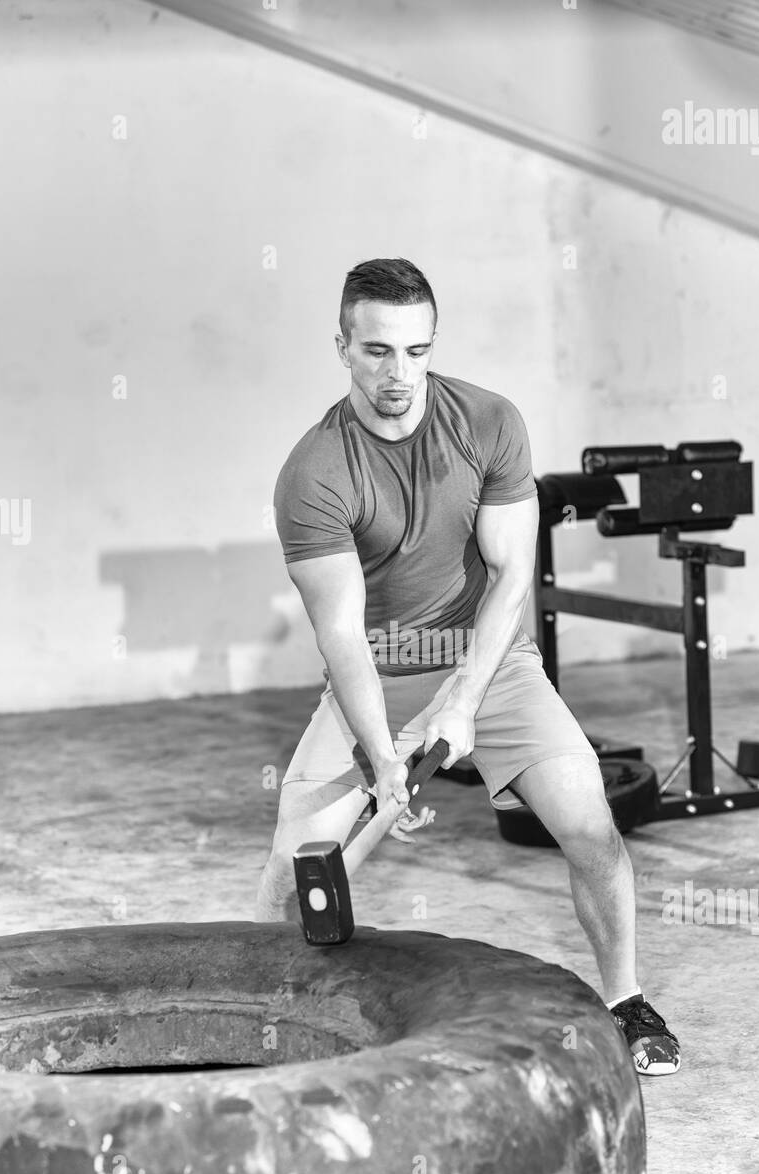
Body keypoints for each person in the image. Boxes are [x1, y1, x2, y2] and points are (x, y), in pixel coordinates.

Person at [256, 257, 680, 1077]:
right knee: (290, 866)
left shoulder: (488, 421)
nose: (398, 374)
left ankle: (625, 1000)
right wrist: (384, 757)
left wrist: (462, 696)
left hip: (492, 662)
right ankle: (269, 1018)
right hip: (377, 672)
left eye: (416, 351)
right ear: (340, 346)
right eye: (377, 351)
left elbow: (513, 576)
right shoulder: (313, 473)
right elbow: (342, 637)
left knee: (591, 826)